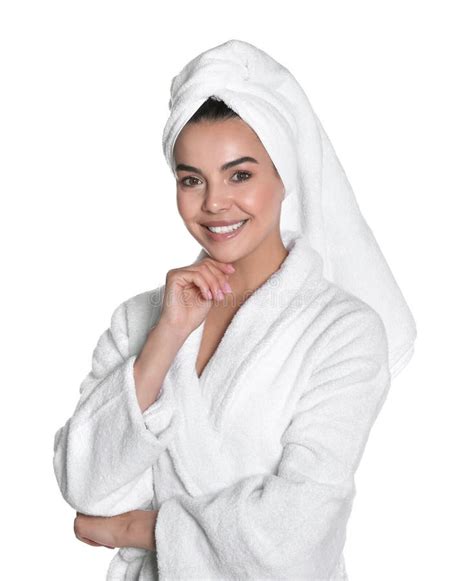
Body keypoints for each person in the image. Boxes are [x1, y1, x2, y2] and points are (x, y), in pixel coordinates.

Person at [53, 39, 417, 580]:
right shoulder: (137, 321)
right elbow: (85, 485)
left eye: (240, 175)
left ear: (283, 177)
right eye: (191, 179)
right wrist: (166, 337)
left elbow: (296, 535)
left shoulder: (344, 333)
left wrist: (140, 530)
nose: (214, 203)